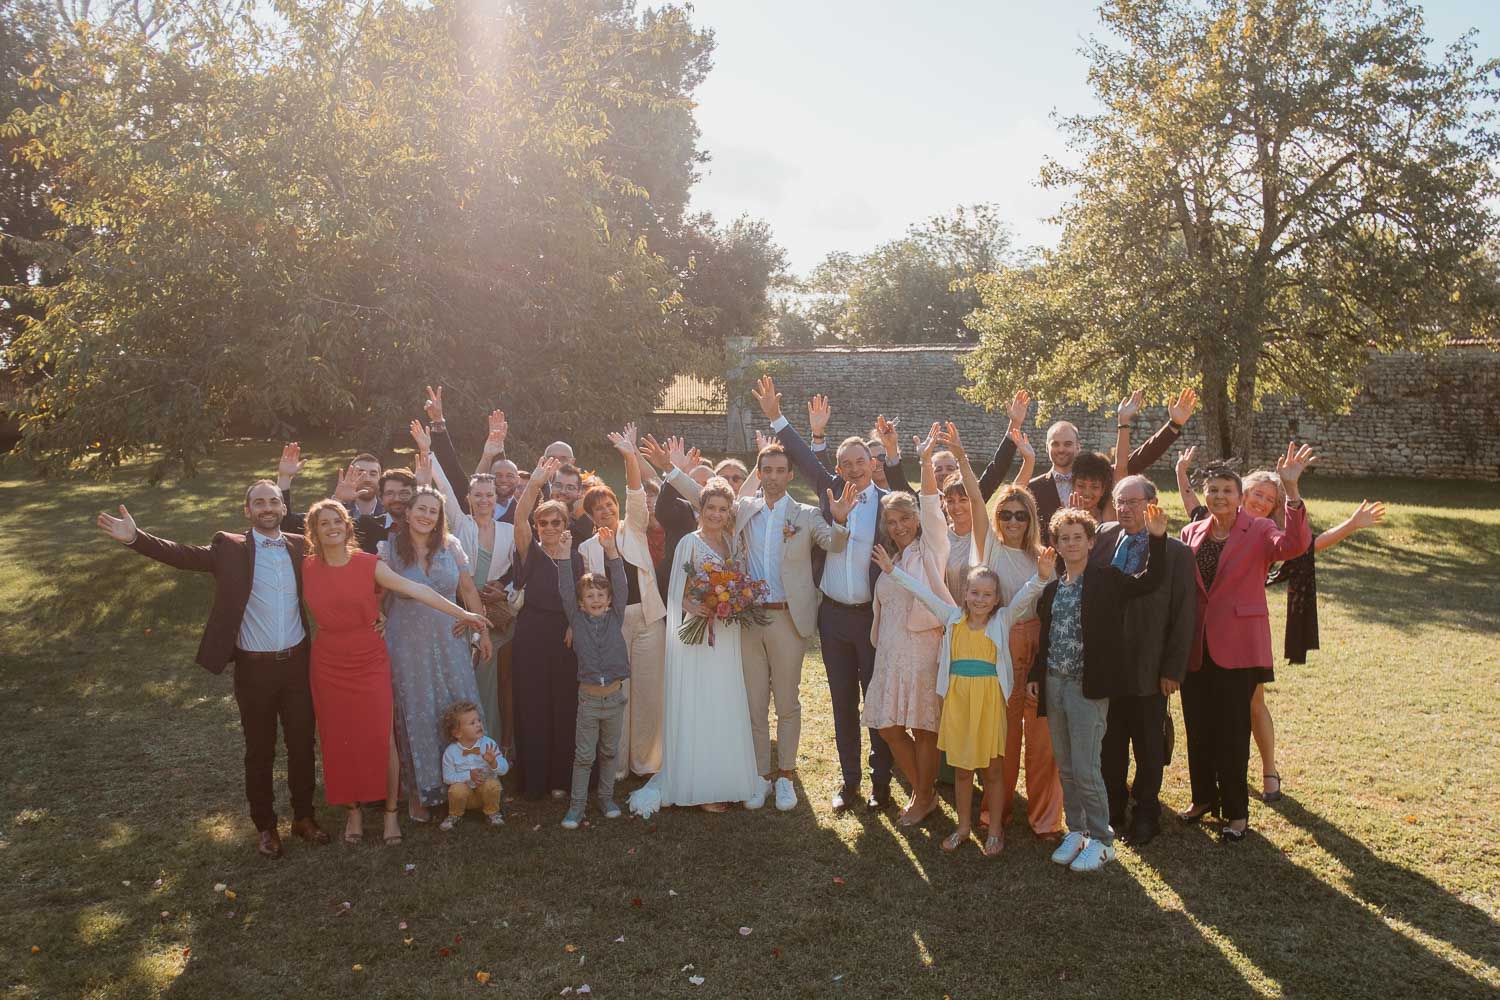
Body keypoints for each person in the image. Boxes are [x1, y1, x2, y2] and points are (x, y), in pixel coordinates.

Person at [96, 484, 331, 859]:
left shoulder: (300, 545)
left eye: (273, 501)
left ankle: (304, 817)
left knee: (303, 745)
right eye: (259, 503)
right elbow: (183, 556)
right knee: (260, 750)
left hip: (298, 666)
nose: (267, 508)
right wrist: (135, 539)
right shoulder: (231, 548)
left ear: (284, 507)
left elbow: (343, 559)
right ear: (247, 510)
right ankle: (266, 826)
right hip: (254, 669)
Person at [1176, 448, 1386, 802]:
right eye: (1256, 494)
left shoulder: (1265, 531)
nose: (1260, 501)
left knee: (1251, 706)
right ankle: (1209, 789)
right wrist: (1182, 471)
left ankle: (1268, 769)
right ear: (1243, 493)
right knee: (1213, 713)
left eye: (1268, 499)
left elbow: (1303, 545)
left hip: (1242, 638)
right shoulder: (1204, 524)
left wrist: (1300, 494)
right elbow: (1194, 503)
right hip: (1204, 638)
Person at [670, 441, 855, 812]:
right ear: (759, 473)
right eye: (765, 470)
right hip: (748, 618)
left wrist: (840, 519)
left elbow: (833, 544)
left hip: (788, 617)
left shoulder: (804, 515)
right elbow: (706, 498)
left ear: (789, 474)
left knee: (787, 701)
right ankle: (759, 777)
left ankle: (785, 775)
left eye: (779, 470)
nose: (772, 477)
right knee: (754, 703)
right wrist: (673, 471)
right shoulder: (745, 510)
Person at [753, 375, 894, 812]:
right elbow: (797, 454)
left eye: (859, 462)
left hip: (872, 617)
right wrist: (777, 418)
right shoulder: (828, 490)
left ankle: (881, 784)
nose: (852, 469)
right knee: (841, 703)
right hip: (832, 618)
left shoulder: (890, 503)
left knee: (876, 702)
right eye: (844, 463)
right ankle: (849, 781)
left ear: (871, 463)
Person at [873, 545, 1053, 855]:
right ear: (965, 594)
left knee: (993, 769)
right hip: (958, 703)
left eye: (987, 595)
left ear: (996, 599)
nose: (980, 599)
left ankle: (994, 830)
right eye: (975, 593)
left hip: (989, 703)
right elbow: (922, 592)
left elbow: (1026, 594)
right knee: (961, 770)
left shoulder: (1002, 620)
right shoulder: (952, 617)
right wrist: (892, 571)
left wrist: (1041, 575)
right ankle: (963, 827)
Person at [1179, 444, 1315, 842]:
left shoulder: (1258, 530)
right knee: (1198, 727)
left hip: (1237, 648)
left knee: (1232, 733)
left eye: (1227, 490)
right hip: (1196, 647)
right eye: (1213, 490)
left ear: (1240, 497)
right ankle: (1203, 797)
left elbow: (1293, 546)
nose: (1219, 496)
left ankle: (1237, 813)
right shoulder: (1192, 531)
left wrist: (1291, 491)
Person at [1027, 502, 1169, 872]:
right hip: (1055, 684)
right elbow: (1048, 637)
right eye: (1064, 538)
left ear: (1091, 542)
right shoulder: (1055, 587)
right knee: (1066, 765)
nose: (1072, 544)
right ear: (1055, 544)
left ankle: (1103, 840)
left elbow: (1151, 581)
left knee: (1087, 766)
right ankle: (1077, 831)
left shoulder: (1108, 579)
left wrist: (1156, 539)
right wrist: (1035, 677)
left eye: (1079, 538)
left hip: (1086, 688)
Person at [628, 478, 762, 818]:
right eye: (710, 508)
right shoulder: (690, 542)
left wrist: (734, 601)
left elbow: (738, 583)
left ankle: (726, 778)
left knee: (724, 700)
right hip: (698, 633)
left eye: (722, 509)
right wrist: (695, 605)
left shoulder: (732, 543)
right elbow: (677, 592)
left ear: (729, 512)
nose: (715, 514)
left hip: (726, 632)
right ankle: (699, 784)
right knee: (701, 701)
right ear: (700, 510)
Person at [380, 480, 492, 821]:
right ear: (408, 512)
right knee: (417, 711)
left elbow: (469, 591)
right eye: (421, 509)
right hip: (407, 642)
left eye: (433, 510)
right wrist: (377, 618)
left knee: (455, 705)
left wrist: (482, 631)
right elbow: (374, 594)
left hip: (449, 637)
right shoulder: (388, 549)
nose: (427, 516)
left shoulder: (451, 546)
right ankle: (421, 791)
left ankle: (470, 786)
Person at [1094, 476, 1196, 846]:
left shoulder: (1176, 553)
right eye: (1120, 502)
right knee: (1110, 742)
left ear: (1152, 504)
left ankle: (1147, 812)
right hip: (1109, 667)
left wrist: (1172, 669)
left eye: (1133, 502)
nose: (1125, 509)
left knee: (1149, 747)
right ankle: (1114, 805)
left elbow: (1185, 614)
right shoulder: (1103, 538)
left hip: (1151, 668)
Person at [863, 424, 952, 827]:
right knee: (888, 726)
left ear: (916, 520)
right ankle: (926, 792)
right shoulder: (891, 559)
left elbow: (931, 503)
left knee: (924, 726)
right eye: (892, 521)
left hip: (923, 650)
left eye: (905, 519)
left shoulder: (931, 547)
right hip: (890, 652)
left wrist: (924, 462)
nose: (899, 527)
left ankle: (921, 796)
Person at [301, 499, 400, 846]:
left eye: (337, 521)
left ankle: (390, 814)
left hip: (369, 656)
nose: (331, 527)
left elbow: (411, 589)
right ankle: (353, 810)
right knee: (337, 737)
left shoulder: (369, 563)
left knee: (381, 735)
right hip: (328, 661)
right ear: (313, 531)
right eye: (323, 523)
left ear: (347, 526)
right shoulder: (306, 567)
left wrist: (462, 614)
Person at [414, 419, 518, 746]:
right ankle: (461, 747)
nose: (485, 499)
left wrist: (507, 593)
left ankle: (492, 744)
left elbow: (521, 573)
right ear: (469, 498)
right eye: (478, 495)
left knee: (490, 677)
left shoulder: (510, 531)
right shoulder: (461, 523)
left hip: (498, 616)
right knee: (466, 678)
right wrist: (426, 449)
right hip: (462, 612)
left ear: (495, 497)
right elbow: (442, 483)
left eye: (489, 495)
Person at [577, 426, 668, 779]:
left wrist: (630, 454)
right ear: (590, 515)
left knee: (647, 693)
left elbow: (635, 491)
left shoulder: (635, 528)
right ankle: (615, 766)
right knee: (618, 696)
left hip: (647, 619)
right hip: (611, 629)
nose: (605, 511)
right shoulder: (586, 551)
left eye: (609, 505)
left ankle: (646, 762)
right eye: (597, 508)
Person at [1030, 388, 1196, 542]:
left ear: (1077, 446)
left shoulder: (1102, 474)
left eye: (1067, 444)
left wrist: (1173, 425)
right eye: (1055, 444)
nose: (1061, 449)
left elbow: (1135, 460)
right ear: (1046, 447)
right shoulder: (1033, 488)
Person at [510, 458, 582, 800]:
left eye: (556, 522)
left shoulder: (578, 557)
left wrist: (574, 623)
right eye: (544, 522)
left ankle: (561, 780)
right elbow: (518, 518)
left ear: (567, 525)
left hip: (566, 637)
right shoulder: (531, 553)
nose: (550, 527)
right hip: (532, 635)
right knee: (534, 704)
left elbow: (586, 598)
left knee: (564, 704)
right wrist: (535, 483)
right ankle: (534, 780)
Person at [556, 527, 632, 829]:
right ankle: (576, 807)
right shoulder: (576, 619)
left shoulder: (615, 616)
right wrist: (564, 555)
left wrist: (611, 551)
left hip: (614, 699)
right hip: (588, 701)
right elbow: (564, 589)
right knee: (585, 755)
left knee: (610, 751)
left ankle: (606, 797)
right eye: (590, 596)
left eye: (601, 595)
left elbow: (622, 585)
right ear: (582, 602)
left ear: (610, 600)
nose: (596, 599)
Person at [439, 700, 509, 831]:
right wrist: (468, 775)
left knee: (492, 784)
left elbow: (504, 769)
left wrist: (494, 762)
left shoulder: (489, 744)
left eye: (479, 720)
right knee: (456, 790)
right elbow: (447, 778)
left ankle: (492, 813)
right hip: (465, 796)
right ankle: (455, 815)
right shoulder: (451, 752)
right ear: (457, 733)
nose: (478, 724)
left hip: (486, 793)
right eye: (472, 723)